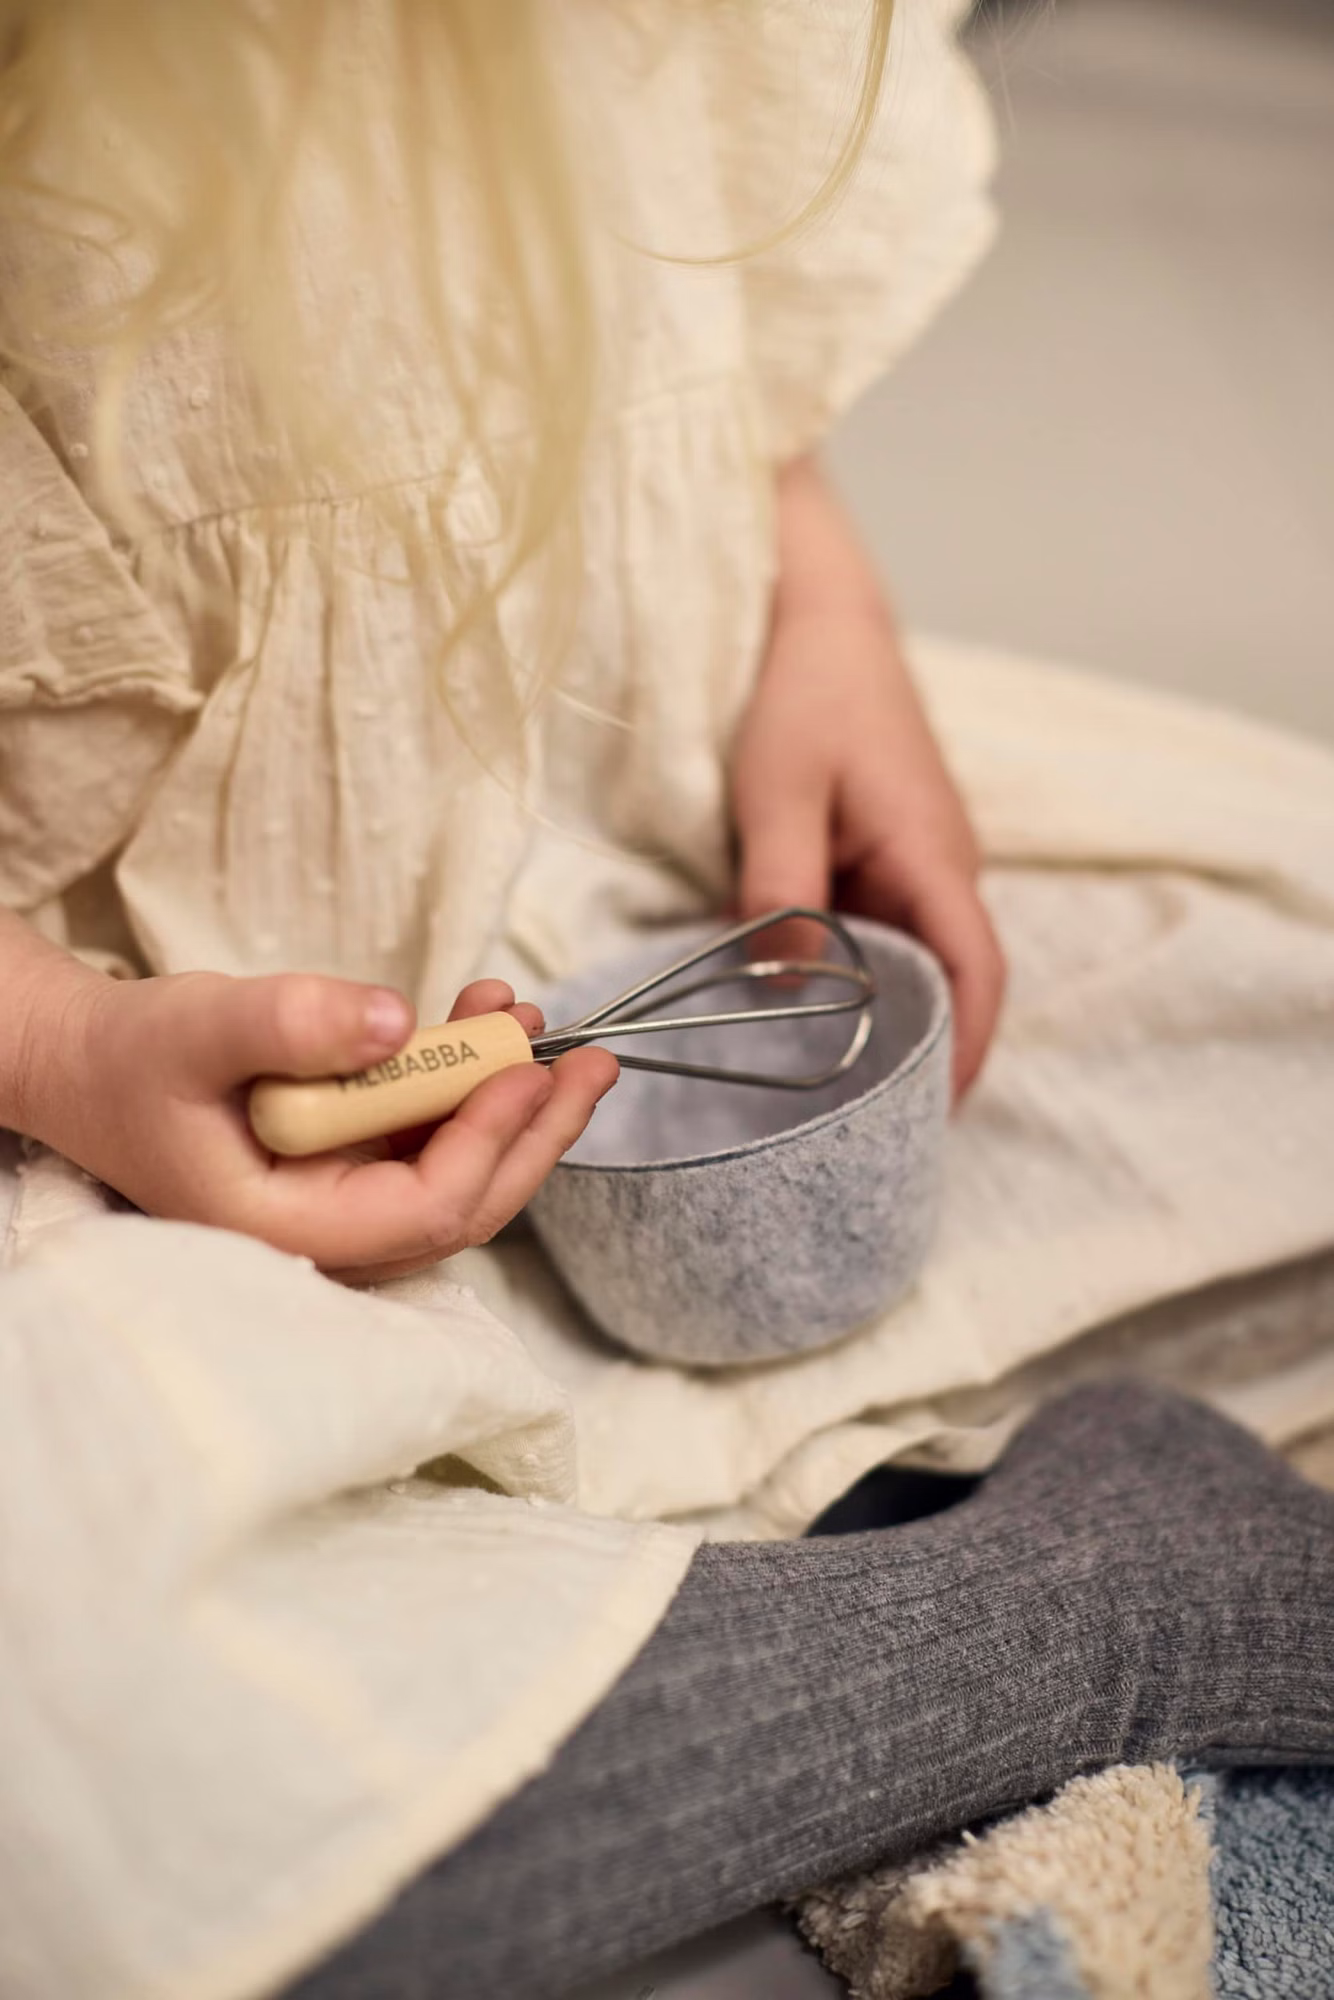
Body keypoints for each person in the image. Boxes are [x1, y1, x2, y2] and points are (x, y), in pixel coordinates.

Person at [0, 6, 1329, 1998]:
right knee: (66, 1742)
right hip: (125, 1092)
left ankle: (667, 1590)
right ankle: (1089, 1614)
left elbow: (738, 349)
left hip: (652, 828)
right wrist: (61, 1044)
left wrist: (826, 624)